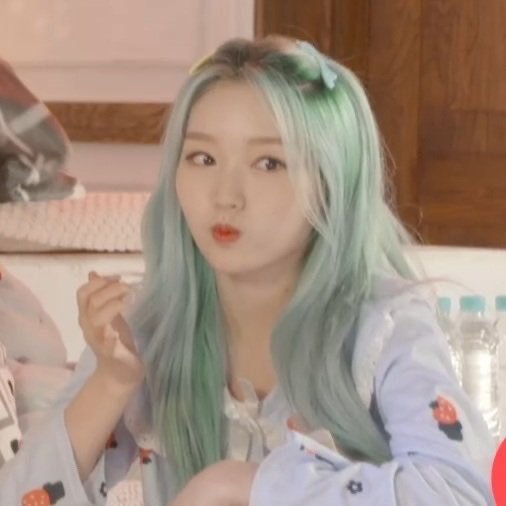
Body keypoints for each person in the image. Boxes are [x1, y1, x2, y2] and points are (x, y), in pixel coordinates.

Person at [0, 35, 494, 505]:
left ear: (332, 182)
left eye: (268, 163)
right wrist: (112, 381)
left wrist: (237, 484)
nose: (225, 195)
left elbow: (460, 494)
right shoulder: (148, 328)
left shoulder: (382, 327)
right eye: (203, 157)